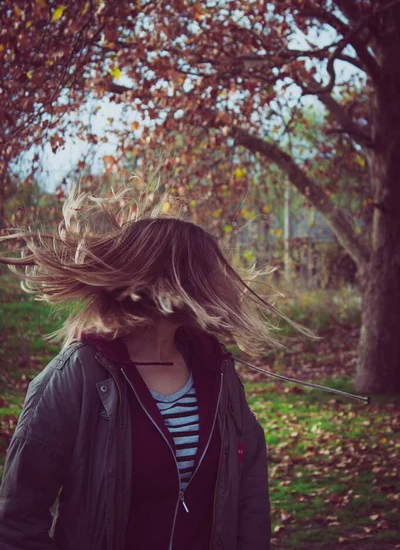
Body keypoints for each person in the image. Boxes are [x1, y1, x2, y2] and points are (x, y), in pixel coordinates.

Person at [0, 182, 313, 550]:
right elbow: (17, 520)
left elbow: (248, 494)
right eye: (205, 272)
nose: (218, 284)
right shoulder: (77, 375)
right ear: (165, 280)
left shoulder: (217, 371)